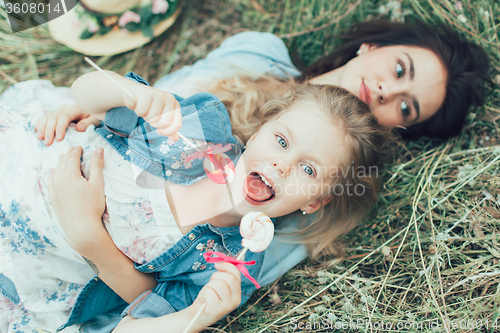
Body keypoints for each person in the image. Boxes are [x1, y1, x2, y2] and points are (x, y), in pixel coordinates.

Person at [0, 68, 392, 332]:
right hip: (23, 154)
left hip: (25, 267)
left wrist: (196, 317)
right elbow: (85, 93)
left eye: (309, 171)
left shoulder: (232, 266)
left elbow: (132, 324)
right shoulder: (200, 129)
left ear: (315, 202)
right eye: (282, 141)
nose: (282, 165)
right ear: (257, 133)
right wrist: (131, 92)